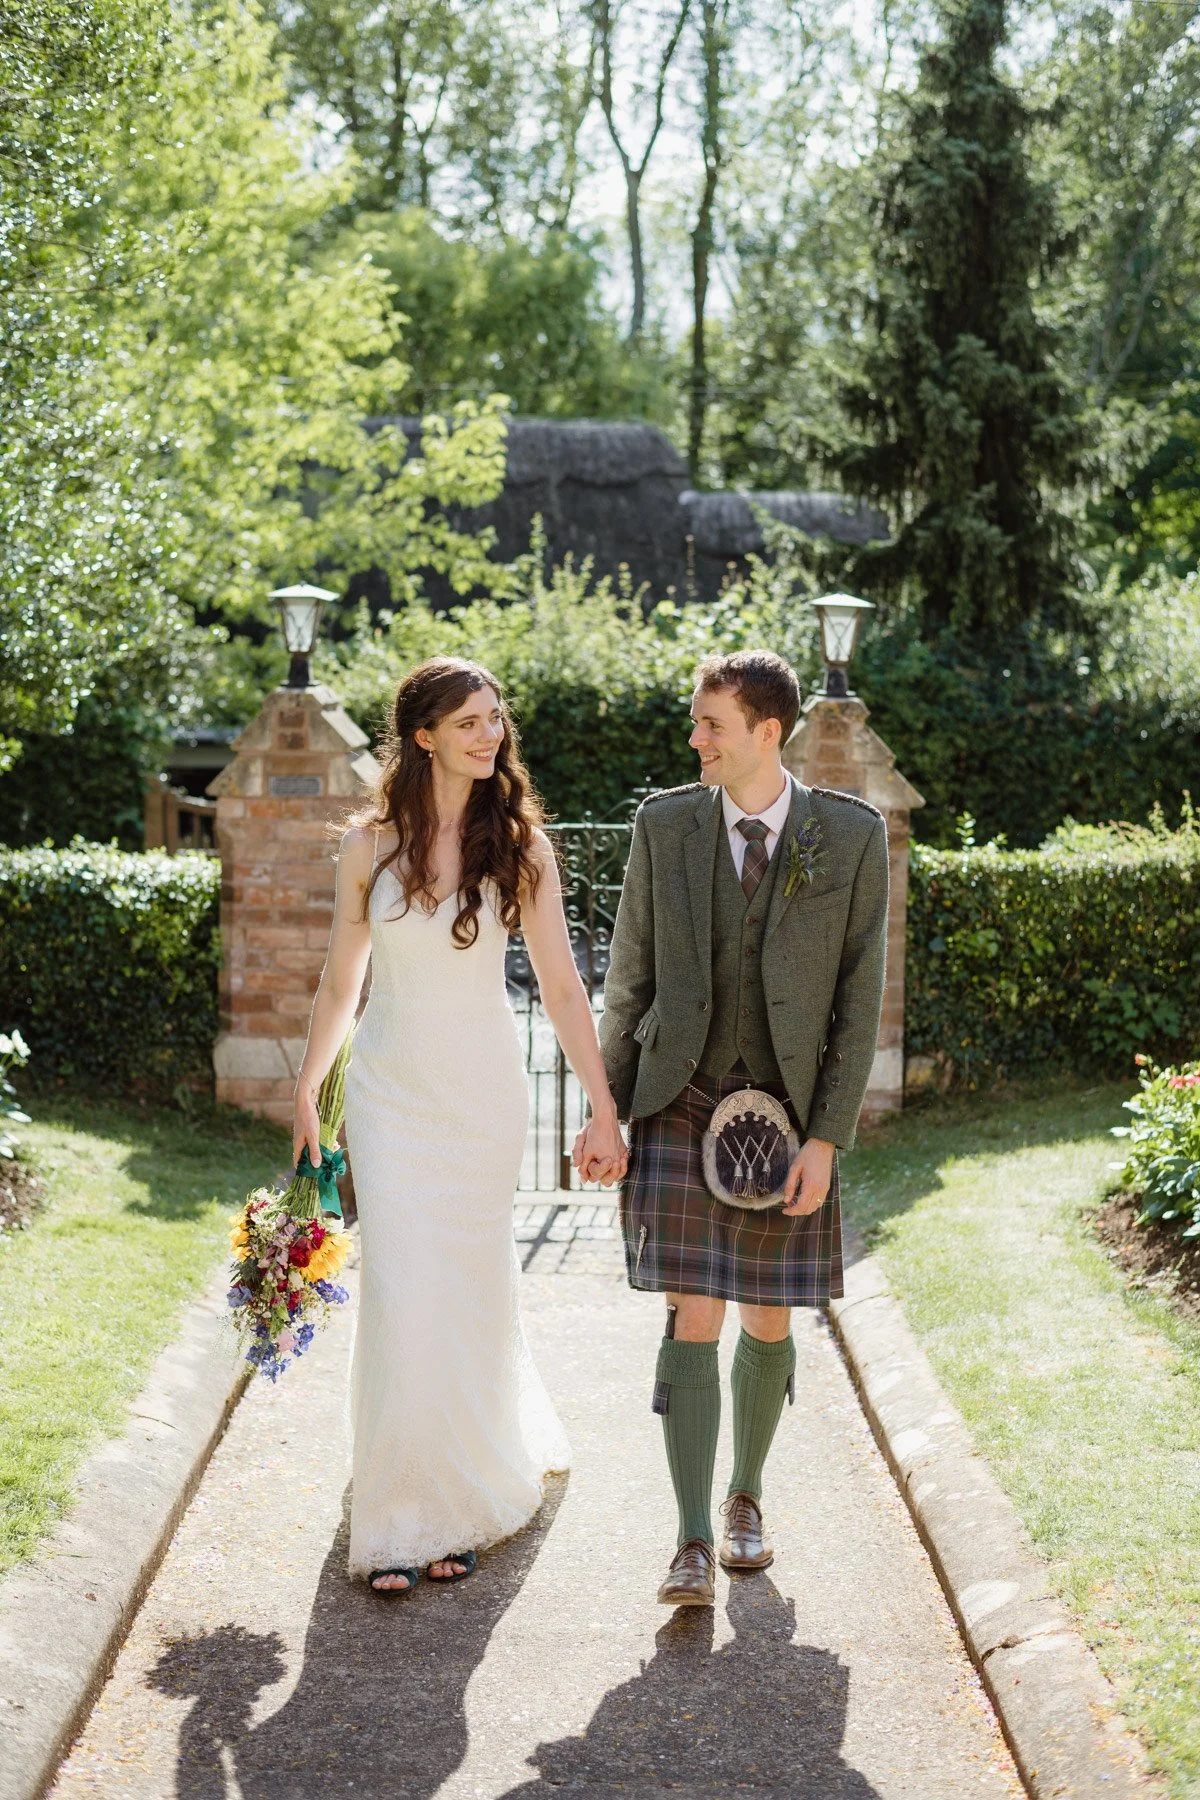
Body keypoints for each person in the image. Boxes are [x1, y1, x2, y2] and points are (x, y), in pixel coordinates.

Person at [293, 656, 627, 1596]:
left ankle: (468, 1500)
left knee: (467, 1289)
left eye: (496, 720)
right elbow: (340, 980)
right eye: (470, 722)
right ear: (425, 735)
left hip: (481, 1093)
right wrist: (308, 1087)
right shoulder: (368, 847)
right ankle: (399, 1514)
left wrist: (601, 1102)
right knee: (403, 1292)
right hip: (391, 1092)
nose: (491, 735)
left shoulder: (521, 845)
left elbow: (563, 984)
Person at [575, 649, 888, 1607]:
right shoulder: (663, 825)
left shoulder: (851, 835)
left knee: (768, 1312)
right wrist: (605, 1111)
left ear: (767, 731)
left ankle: (748, 1494)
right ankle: (692, 1540)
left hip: (789, 1111)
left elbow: (857, 999)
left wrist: (826, 1138)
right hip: (681, 1094)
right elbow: (628, 979)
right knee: (693, 1309)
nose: (694, 737)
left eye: (710, 723)